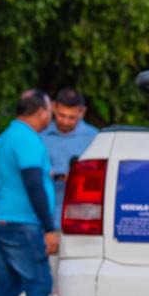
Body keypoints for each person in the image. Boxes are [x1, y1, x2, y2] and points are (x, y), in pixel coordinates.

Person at [0, 90, 64, 296]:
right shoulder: (28, 140)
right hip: (23, 222)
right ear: (41, 112)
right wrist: (48, 228)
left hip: (1, 219)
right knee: (39, 284)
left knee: (7, 288)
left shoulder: (4, 138)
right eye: (49, 111)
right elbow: (34, 183)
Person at [41, 87, 98, 229]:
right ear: (53, 107)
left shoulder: (94, 138)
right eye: (61, 115)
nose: (65, 122)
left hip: (80, 216)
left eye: (72, 117)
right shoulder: (40, 135)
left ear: (82, 112)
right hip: (44, 215)